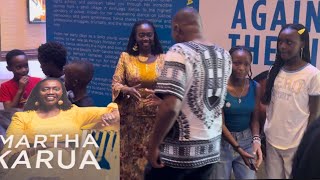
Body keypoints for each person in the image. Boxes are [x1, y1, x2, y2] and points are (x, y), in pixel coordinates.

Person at [145, 7, 232, 179]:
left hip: (178, 154)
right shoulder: (224, 54)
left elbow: (171, 107)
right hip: (210, 150)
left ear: (177, 28)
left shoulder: (179, 52)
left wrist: (154, 144)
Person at [0, 78, 119, 178]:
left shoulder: (73, 112)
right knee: (56, 154)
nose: (51, 92)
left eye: (56, 89)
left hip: (69, 168)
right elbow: (10, 157)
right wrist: (48, 147)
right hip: (33, 168)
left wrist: (112, 115)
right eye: (45, 89)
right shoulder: (22, 117)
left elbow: (116, 110)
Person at [262, 24, 320, 179]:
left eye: (289, 42)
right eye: (280, 42)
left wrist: (306, 144)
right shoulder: (274, 70)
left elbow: (314, 114)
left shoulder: (313, 75)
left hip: (296, 144)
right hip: (273, 140)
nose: (282, 46)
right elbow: (271, 105)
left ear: (302, 44)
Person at [112, 20, 164, 180]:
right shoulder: (126, 57)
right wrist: (126, 89)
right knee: (130, 162)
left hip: (155, 121)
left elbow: (171, 88)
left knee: (152, 161)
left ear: (154, 36)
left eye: (149, 35)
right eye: (141, 35)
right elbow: (115, 83)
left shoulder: (164, 58)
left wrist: (159, 96)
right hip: (130, 122)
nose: (146, 38)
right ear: (135, 37)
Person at [211, 46, 263, 179]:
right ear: (228, 63)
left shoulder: (255, 87)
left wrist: (256, 141)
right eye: (237, 63)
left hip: (246, 141)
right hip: (222, 143)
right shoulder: (219, 87)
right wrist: (237, 148)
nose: (241, 68)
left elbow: (255, 119)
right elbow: (220, 123)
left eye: (246, 64)